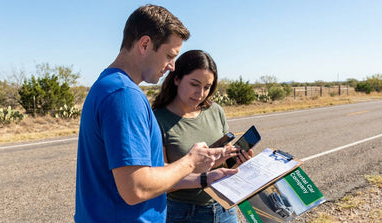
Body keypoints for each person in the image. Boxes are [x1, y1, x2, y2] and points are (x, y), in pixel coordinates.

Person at [74, 5, 237, 222]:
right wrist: (190, 161)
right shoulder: (124, 96)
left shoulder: (107, 86)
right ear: (144, 44)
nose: (171, 67)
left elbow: (151, 177)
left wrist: (204, 178)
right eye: (170, 55)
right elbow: (137, 188)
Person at [152, 50, 253, 223]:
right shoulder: (157, 119)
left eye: (207, 87)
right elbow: (159, 180)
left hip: (224, 208)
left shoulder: (215, 111)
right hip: (183, 214)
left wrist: (236, 161)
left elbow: (218, 162)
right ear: (176, 79)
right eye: (194, 84)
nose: (200, 93)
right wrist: (203, 178)